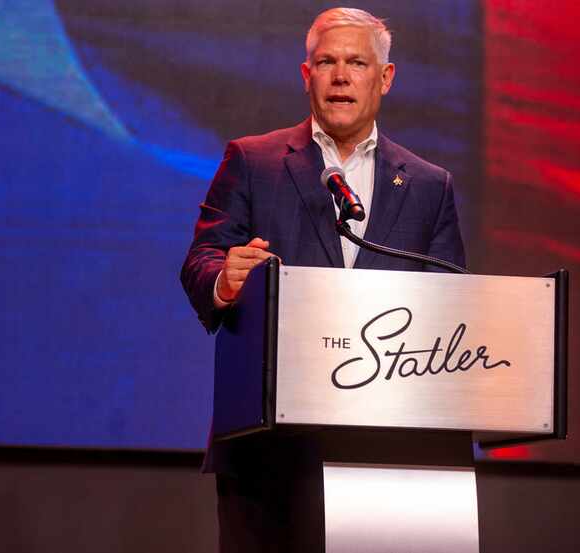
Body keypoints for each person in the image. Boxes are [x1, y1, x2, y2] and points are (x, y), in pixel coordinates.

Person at [181, 7, 466, 552]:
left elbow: (454, 306)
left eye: (356, 63)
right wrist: (225, 278)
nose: (340, 76)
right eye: (326, 62)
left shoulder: (430, 185)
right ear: (306, 75)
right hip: (270, 455)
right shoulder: (254, 160)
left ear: (384, 78)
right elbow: (200, 261)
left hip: (394, 455)